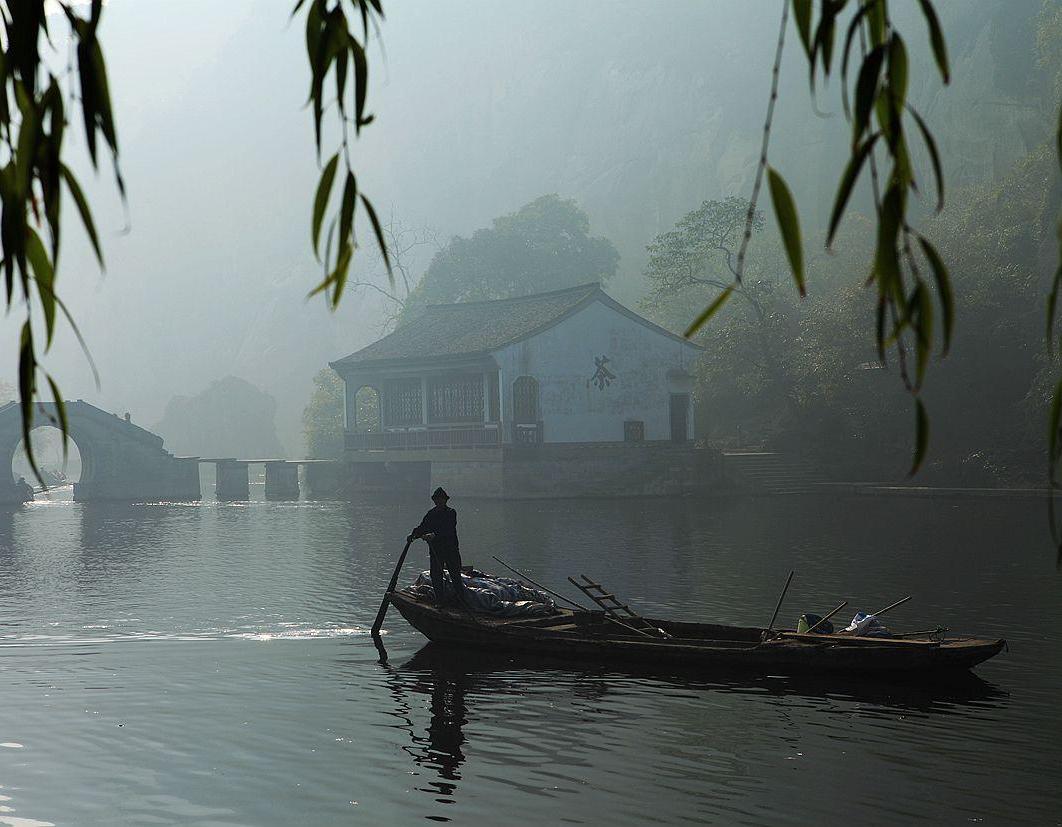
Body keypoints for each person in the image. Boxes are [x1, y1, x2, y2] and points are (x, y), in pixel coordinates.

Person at [408, 487, 470, 610]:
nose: (439, 502)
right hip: (436, 550)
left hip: (450, 549)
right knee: (436, 576)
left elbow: (448, 529)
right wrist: (413, 535)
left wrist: (434, 535)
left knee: (455, 575)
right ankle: (440, 601)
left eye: (441, 499)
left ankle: (462, 602)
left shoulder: (451, 513)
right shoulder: (431, 514)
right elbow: (423, 527)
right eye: (437, 500)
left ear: (445, 500)